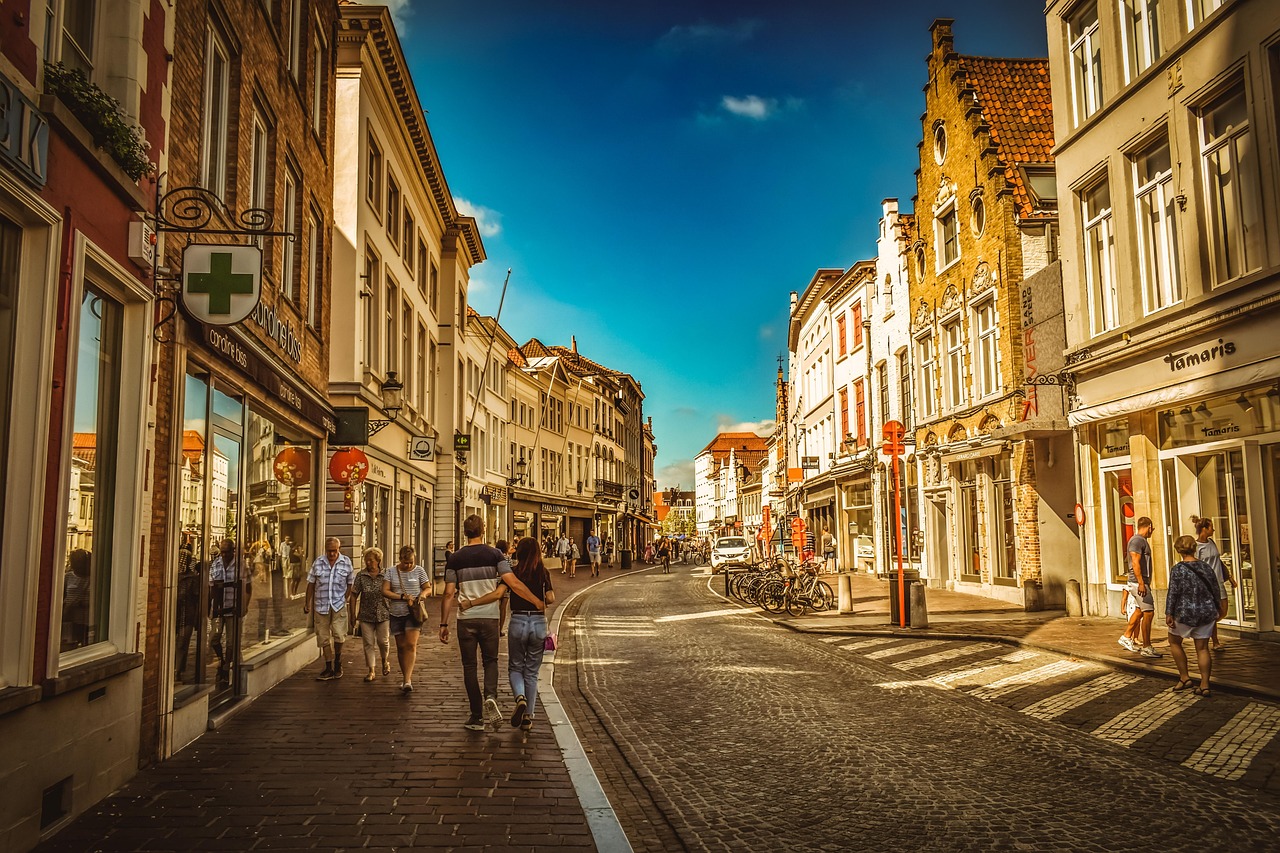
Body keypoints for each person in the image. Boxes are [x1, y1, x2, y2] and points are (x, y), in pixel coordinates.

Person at [440, 515, 545, 731]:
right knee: (491, 661)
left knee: (469, 666)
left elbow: (449, 593)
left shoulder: (455, 558)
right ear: (483, 529)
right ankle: (491, 697)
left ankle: (477, 717)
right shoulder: (495, 554)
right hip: (489, 618)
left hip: (465, 619)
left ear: (465, 531)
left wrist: (443, 623)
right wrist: (536, 600)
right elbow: (513, 583)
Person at [504, 537, 555, 731]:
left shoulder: (513, 572)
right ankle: (528, 717)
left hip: (517, 621)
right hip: (538, 623)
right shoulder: (543, 572)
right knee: (532, 672)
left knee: (516, 667)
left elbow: (502, 592)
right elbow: (550, 597)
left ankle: (520, 697)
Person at [1165, 534, 1224, 697]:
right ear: (1194, 548)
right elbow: (1215, 588)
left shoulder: (1177, 569)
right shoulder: (1206, 567)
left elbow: (1173, 593)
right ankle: (1205, 684)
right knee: (1203, 648)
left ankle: (1184, 677)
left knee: (1174, 642)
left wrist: (1169, 612)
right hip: (1205, 612)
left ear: (1178, 550)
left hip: (1183, 613)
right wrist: (1217, 607)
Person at [304, 537, 356, 680]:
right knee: (323, 637)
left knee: (339, 634)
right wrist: (307, 603)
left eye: (334, 551)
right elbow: (311, 584)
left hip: (338, 604)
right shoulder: (318, 563)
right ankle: (328, 666)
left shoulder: (346, 563)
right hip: (321, 605)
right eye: (329, 551)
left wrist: (345, 598)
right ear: (325, 550)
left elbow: (350, 584)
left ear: (339, 549)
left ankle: (338, 662)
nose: (332, 554)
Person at [385, 545, 430, 693]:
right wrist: (401, 597)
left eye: (411, 562)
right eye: (406, 562)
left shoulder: (419, 570)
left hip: (414, 613)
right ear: (400, 559)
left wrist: (423, 595)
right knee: (401, 646)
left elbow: (428, 587)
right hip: (397, 612)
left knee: (411, 644)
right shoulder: (391, 571)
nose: (409, 565)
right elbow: (385, 590)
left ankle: (407, 680)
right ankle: (405, 675)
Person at [1118, 517, 1163, 658]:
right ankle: (1146, 646)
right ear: (1149, 526)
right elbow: (1135, 563)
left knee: (1139, 610)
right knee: (1149, 612)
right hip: (1138, 583)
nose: (1152, 531)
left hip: (1140, 582)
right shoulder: (1137, 541)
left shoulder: (1140, 541)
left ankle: (1126, 637)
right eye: (1153, 528)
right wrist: (1141, 583)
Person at [209, 538, 248, 685]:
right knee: (214, 638)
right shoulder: (216, 564)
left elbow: (247, 587)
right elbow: (211, 586)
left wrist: (244, 605)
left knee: (232, 643)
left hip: (233, 608)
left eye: (226, 552)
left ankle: (226, 668)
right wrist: (210, 608)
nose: (223, 555)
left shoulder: (241, 565)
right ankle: (222, 659)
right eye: (222, 552)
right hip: (219, 608)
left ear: (233, 551)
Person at [1193, 516, 1235, 651]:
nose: (1214, 529)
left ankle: (1204, 625)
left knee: (1222, 610)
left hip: (1219, 581)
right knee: (1213, 613)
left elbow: (1219, 561)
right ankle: (1215, 641)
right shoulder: (1197, 547)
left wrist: (1229, 576)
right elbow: (1195, 566)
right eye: (1211, 527)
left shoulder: (1211, 542)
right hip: (1207, 584)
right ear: (1204, 529)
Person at [352, 547, 392, 682]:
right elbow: (353, 595)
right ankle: (371, 670)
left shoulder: (386, 574)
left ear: (378, 561)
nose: (368, 563)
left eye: (371, 560)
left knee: (383, 641)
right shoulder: (361, 576)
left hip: (383, 613)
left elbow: (392, 592)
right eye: (366, 560)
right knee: (368, 643)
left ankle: (385, 661)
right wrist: (352, 614)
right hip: (365, 614)